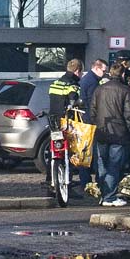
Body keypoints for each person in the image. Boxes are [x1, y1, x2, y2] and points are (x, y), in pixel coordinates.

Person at [90, 63, 130, 207]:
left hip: (102, 132)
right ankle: (109, 197)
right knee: (114, 165)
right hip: (119, 133)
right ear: (122, 74)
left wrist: (97, 125)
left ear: (110, 73)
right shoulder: (125, 90)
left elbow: (92, 111)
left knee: (102, 163)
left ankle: (104, 193)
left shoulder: (99, 89)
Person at [46, 58, 84, 196]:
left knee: (54, 152)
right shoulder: (72, 84)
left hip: (53, 122)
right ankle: (67, 183)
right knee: (70, 153)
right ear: (77, 71)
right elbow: (75, 101)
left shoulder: (55, 83)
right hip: (67, 123)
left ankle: (51, 182)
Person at [77, 59, 107, 186]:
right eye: (103, 71)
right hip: (90, 121)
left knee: (85, 151)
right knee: (92, 151)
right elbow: (93, 103)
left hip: (85, 119)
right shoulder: (92, 82)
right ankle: (91, 181)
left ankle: (85, 179)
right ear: (96, 68)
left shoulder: (87, 79)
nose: (104, 74)